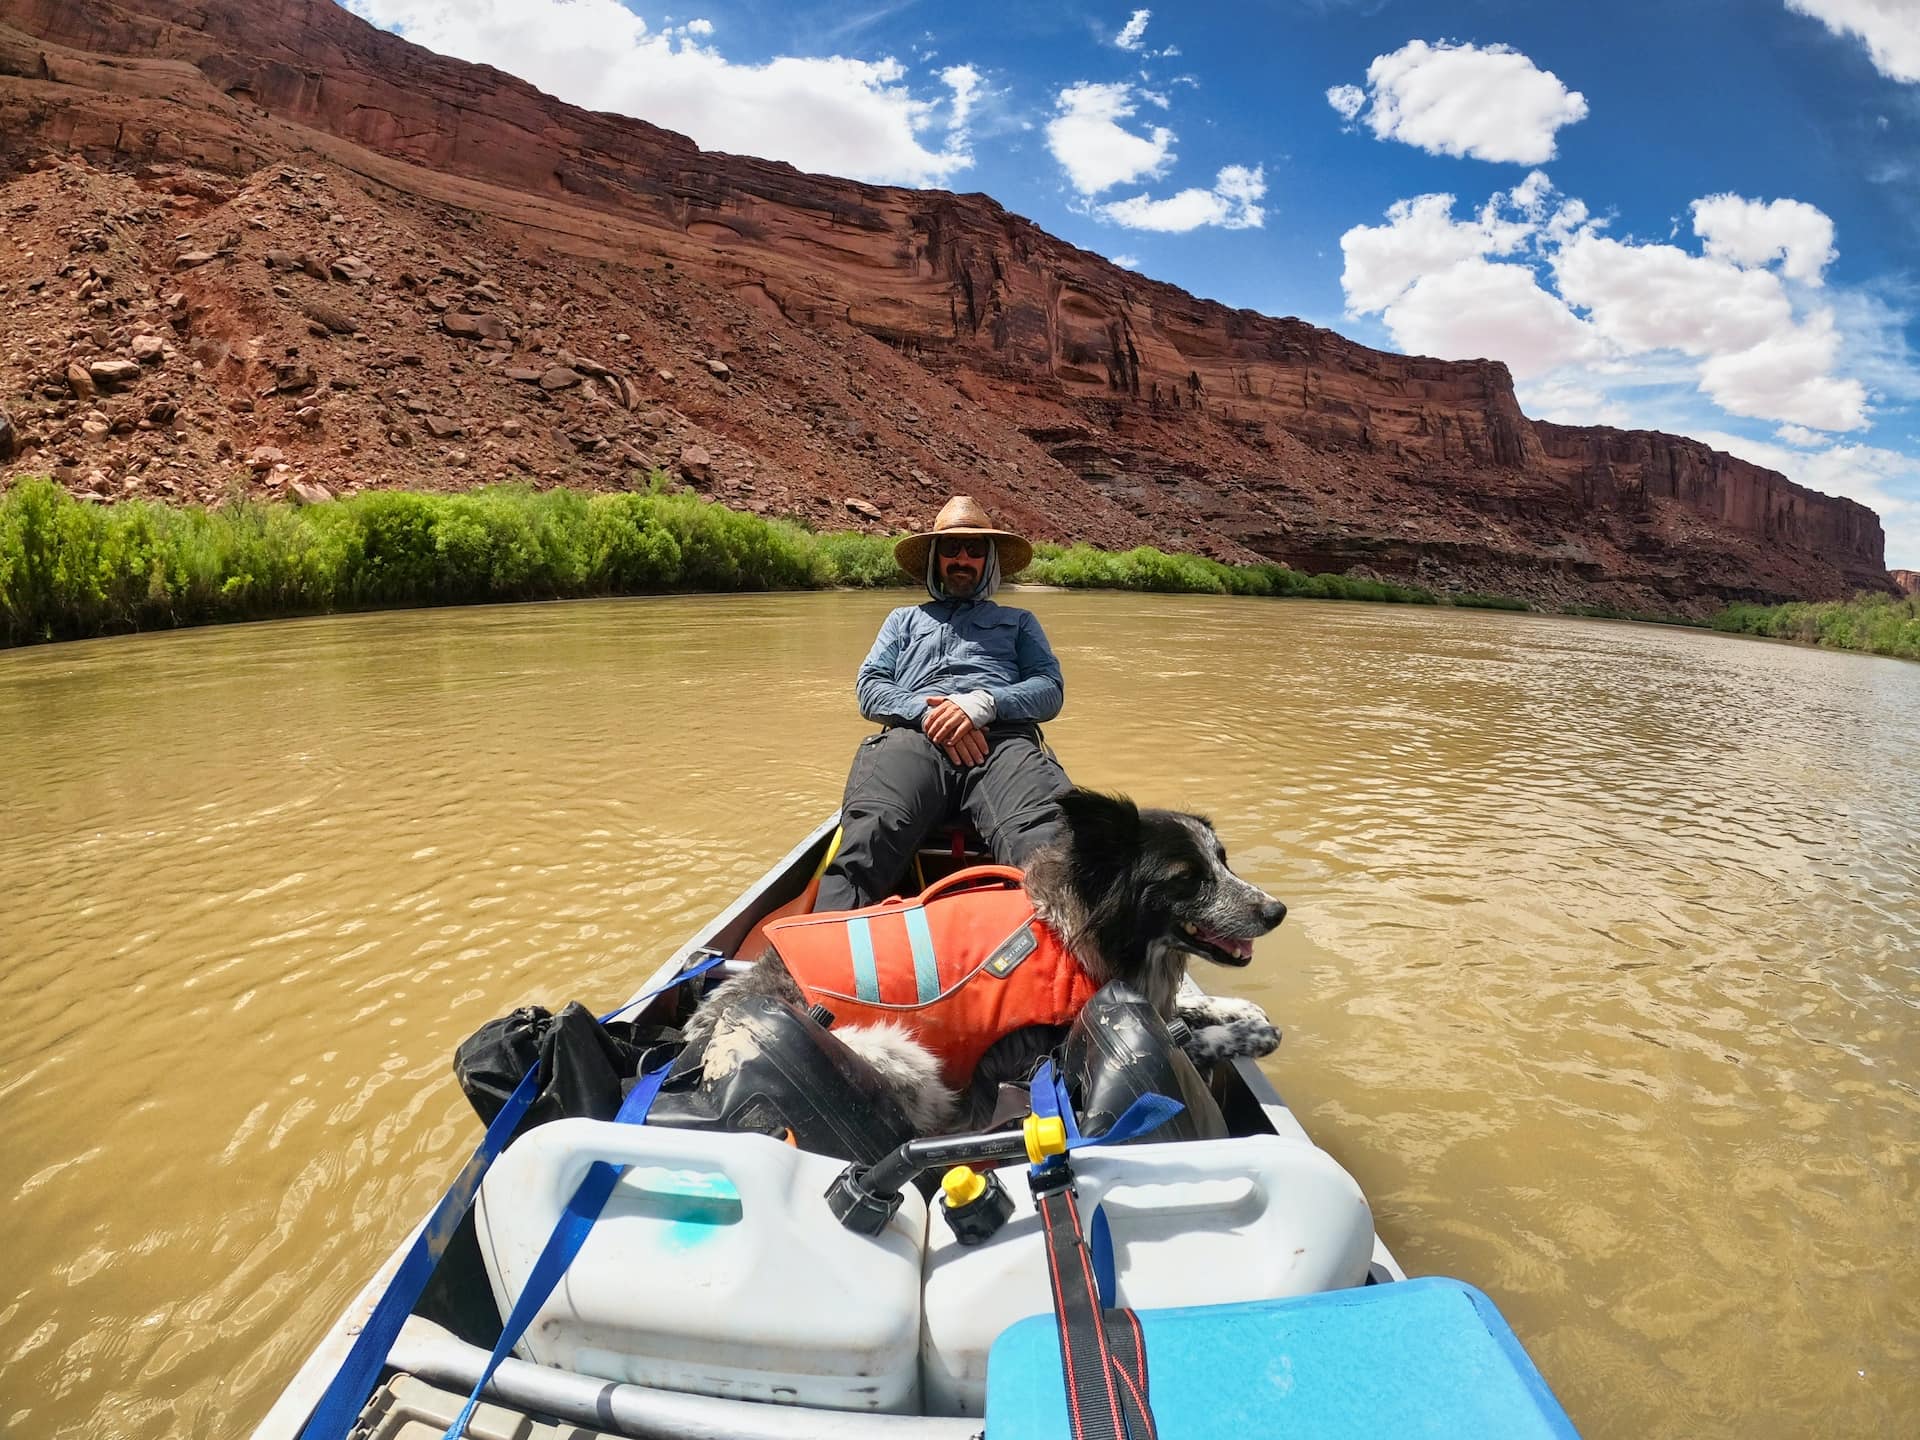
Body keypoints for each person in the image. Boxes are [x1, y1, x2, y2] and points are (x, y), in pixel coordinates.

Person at [813, 495, 1071, 913]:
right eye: (951, 549)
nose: (962, 559)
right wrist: (932, 713)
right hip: (914, 738)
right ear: (936, 559)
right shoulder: (902, 620)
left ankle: (1067, 965)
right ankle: (818, 959)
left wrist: (983, 704)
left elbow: (1049, 688)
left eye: (974, 550)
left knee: (1044, 844)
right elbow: (870, 687)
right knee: (872, 832)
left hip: (1000, 742)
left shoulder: (1021, 621)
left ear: (989, 562)